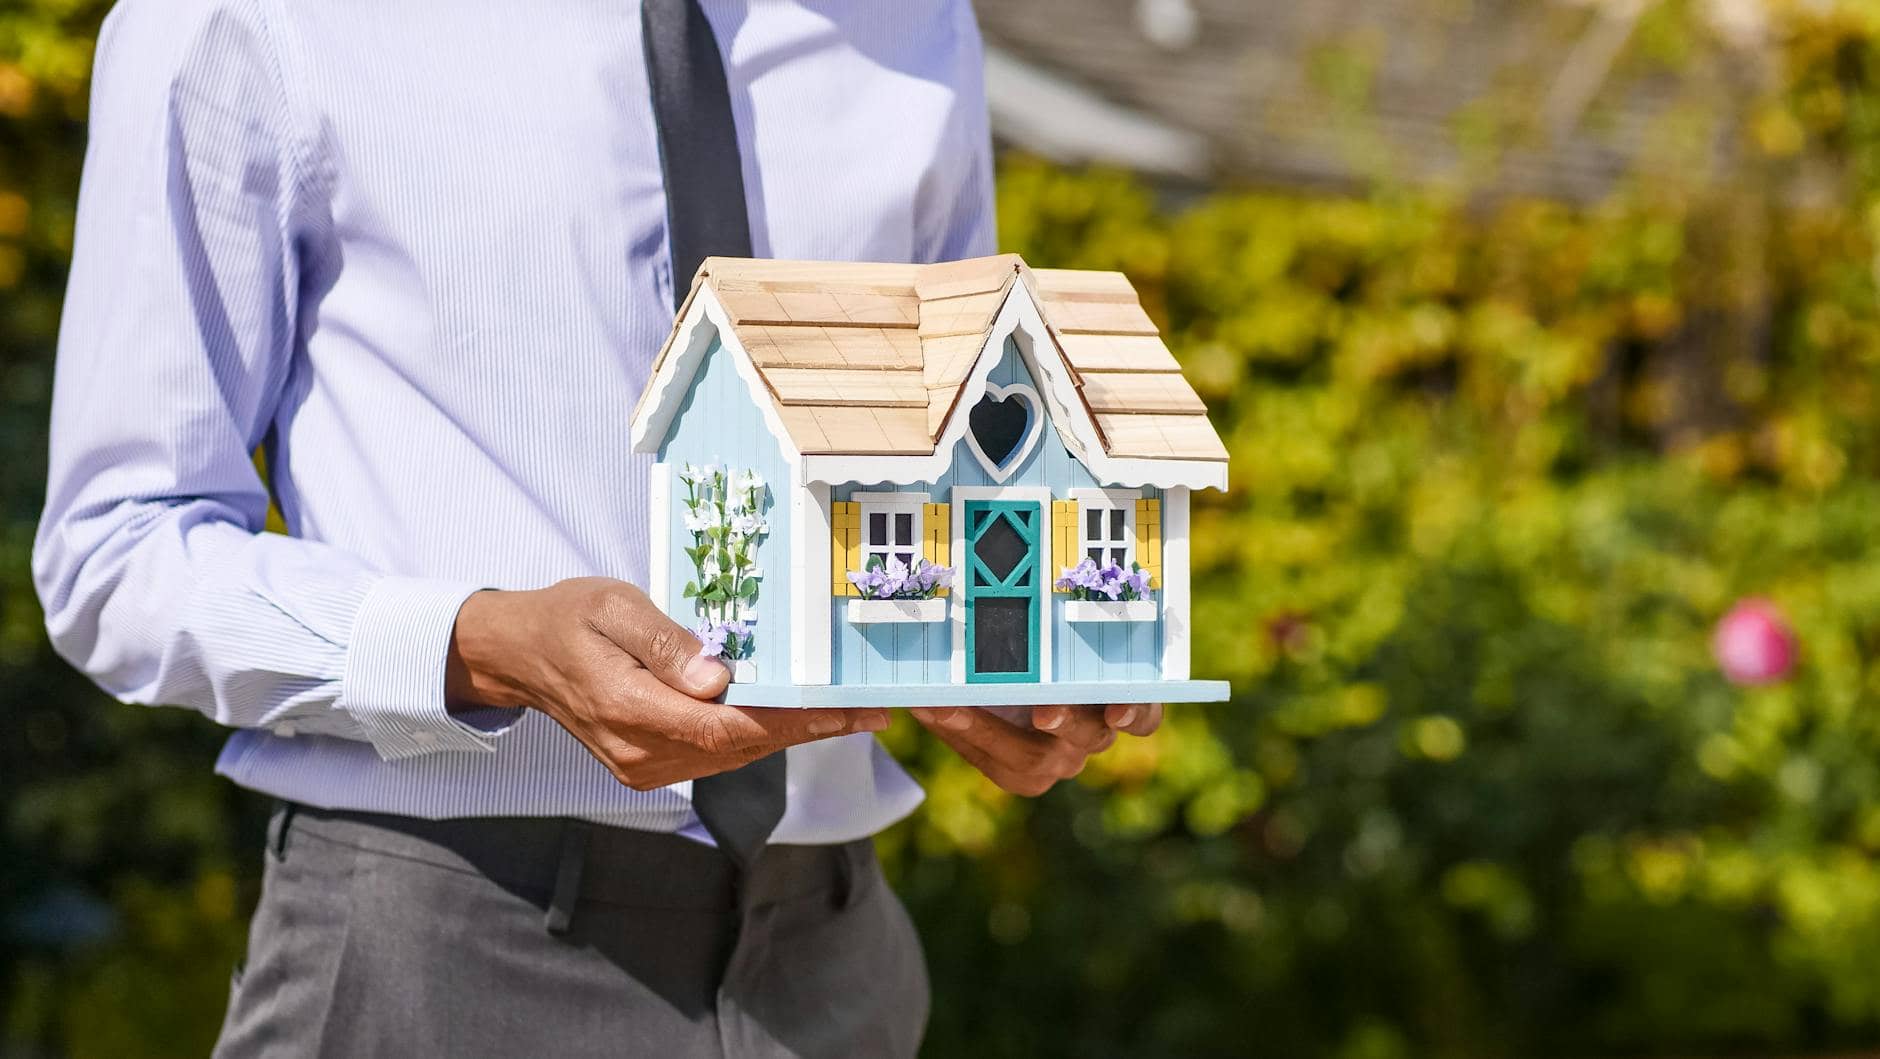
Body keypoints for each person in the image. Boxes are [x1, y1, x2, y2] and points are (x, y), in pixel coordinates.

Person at [33, 0, 1163, 1054]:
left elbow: (948, 450)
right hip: (439, 960)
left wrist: (1017, 659)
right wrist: (473, 647)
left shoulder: (910, 21)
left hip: (832, 967)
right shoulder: (254, 16)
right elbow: (115, 546)